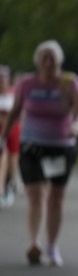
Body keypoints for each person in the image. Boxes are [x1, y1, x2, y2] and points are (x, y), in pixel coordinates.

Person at [0, 41, 78, 266]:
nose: (48, 63)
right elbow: (15, 111)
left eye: (52, 58)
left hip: (60, 147)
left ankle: (52, 246)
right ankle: (34, 243)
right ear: (37, 61)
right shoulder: (27, 83)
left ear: (60, 61)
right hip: (32, 146)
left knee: (56, 197)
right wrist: (3, 137)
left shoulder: (69, 82)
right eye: (44, 58)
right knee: (35, 194)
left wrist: (76, 126)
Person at [0, 65, 20, 209]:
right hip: (1, 133)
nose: (1, 82)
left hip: (14, 132)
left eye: (3, 79)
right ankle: (1, 190)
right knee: (2, 159)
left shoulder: (14, 94)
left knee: (12, 165)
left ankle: (9, 186)